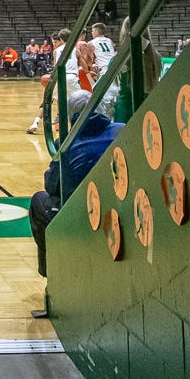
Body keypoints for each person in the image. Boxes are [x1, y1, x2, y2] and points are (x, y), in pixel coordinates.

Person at [30, 99, 123, 279]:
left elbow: (52, 187)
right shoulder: (121, 129)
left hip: (82, 209)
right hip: (120, 202)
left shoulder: (65, 142)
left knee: (39, 201)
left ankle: (53, 278)